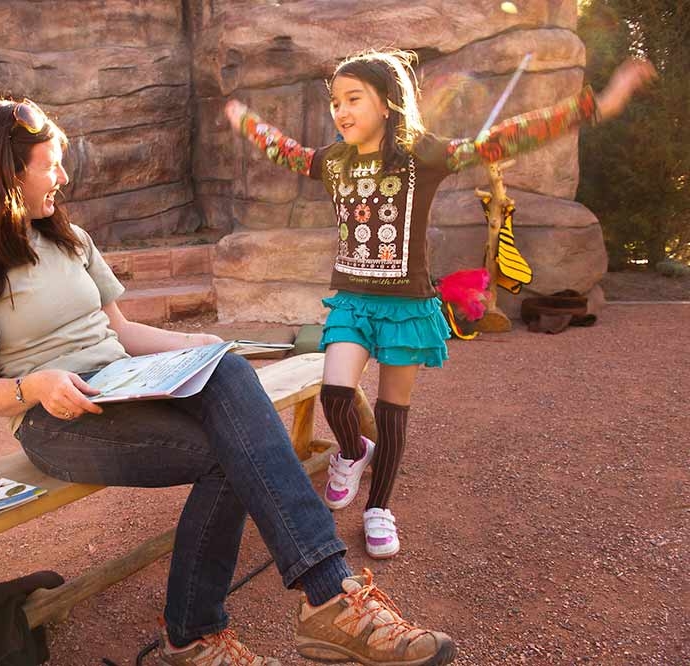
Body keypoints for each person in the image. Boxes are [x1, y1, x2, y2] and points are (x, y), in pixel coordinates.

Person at [0, 97, 458, 665]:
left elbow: (122, 332)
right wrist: (34, 385)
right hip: (55, 421)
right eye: (48, 164)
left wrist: (196, 346)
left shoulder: (70, 239)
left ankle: (320, 600)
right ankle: (216, 630)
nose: (63, 177)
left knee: (226, 370)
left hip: (126, 382)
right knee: (229, 453)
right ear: (6, 174)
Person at [225, 51, 656, 559]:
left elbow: (505, 137)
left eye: (353, 99)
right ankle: (351, 451)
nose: (340, 112)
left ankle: (378, 508)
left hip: (406, 306)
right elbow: (286, 151)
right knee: (336, 395)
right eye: (335, 102)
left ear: (386, 104)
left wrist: (597, 104)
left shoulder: (420, 156)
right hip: (353, 303)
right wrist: (245, 120)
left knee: (391, 412)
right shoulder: (333, 161)